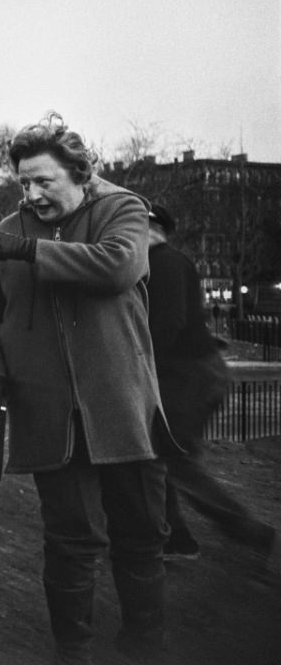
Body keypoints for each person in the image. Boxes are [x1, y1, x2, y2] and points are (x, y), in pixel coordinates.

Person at [0, 118, 176, 665]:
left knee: (140, 536)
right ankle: (72, 654)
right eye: (23, 184)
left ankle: (143, 647)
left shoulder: (123, 209)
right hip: (49, 416)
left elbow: (118, 266)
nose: (31, 195)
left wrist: (32, 253)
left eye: (43, 182)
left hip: (123, 408)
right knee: (70, 543)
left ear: (78, 174)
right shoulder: (9, 228)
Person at [146, 204, 275, 561]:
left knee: (175, 461)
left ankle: (250, 531)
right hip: (189, 374)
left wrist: (139, 366)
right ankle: (175, 538)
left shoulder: (166, 263)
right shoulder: (160, 263)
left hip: (191, 376)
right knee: (160, 454)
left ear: (149, 228)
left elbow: (168, 325)